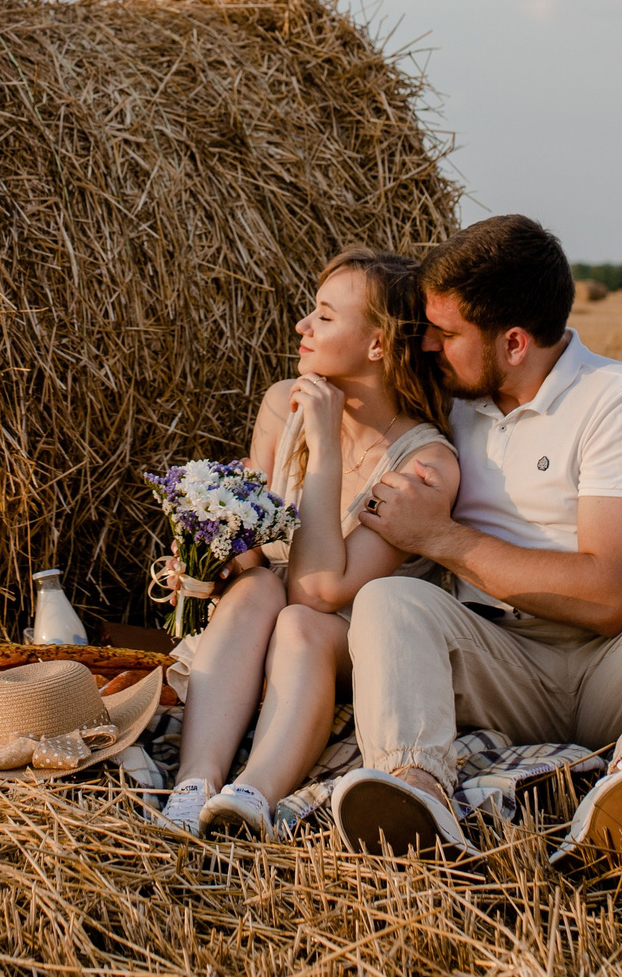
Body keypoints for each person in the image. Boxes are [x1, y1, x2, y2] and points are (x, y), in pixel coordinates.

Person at [327, 214, 622, 861]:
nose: (428, 347)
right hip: (500, 660)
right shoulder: (453, 405)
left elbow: (607, 594)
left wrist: (444, 537)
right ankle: (415, 788)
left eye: (446, 334)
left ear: (512, 343)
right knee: (389, 600)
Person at [159, 249, 461, 838]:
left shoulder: (425, 464)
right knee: (254, 591)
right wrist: (215, 563)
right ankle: (194, 785)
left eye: (324, 316)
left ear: (377, 344)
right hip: (266, 618)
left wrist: (323, 448)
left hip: (354, 640)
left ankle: (255, 794)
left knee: (299, 619)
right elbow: (259, 540)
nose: (302, 326)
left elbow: (323, 590)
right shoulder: (282, 404)